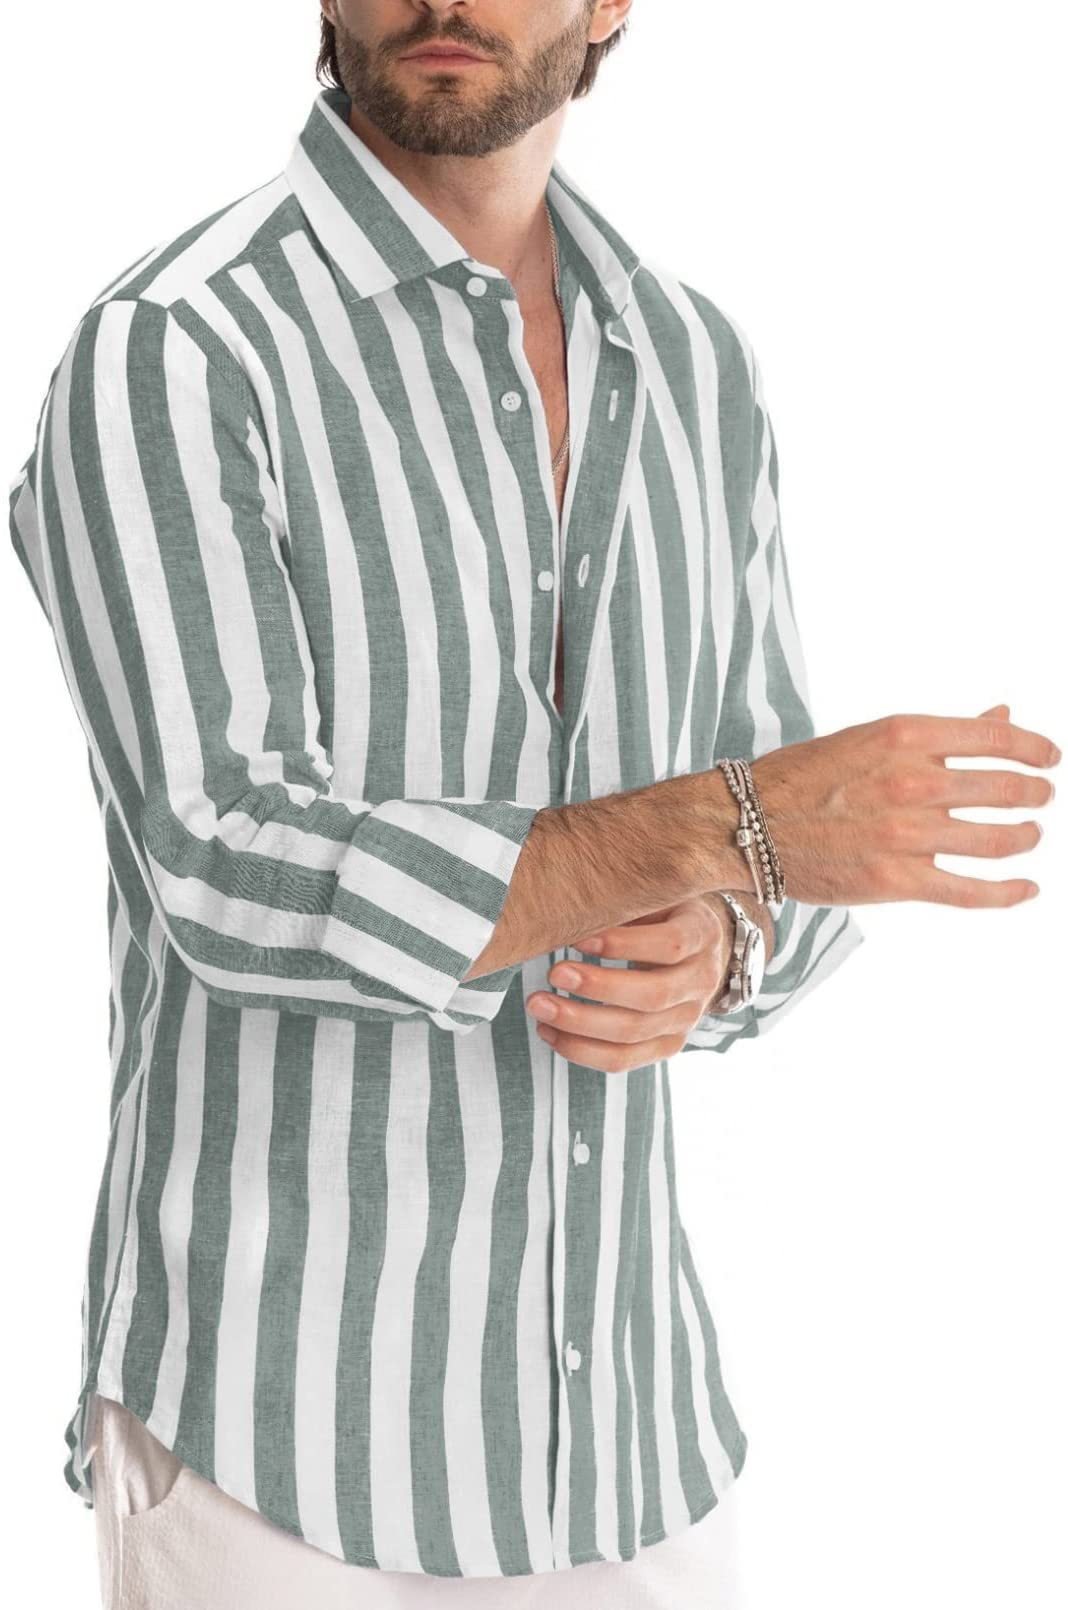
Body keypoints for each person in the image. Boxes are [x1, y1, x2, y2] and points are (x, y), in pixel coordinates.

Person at [7, 2, 1059, 1606]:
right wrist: (721, 824)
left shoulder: (695, 362)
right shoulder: (178, 347)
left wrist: (719, 942)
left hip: (629, 1438)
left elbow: (781, 845)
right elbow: (223, 860)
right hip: (275, 1439)